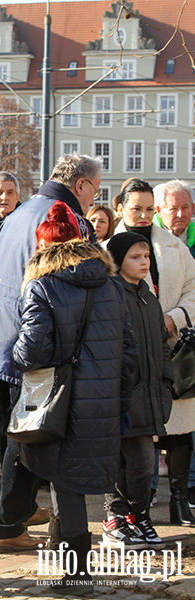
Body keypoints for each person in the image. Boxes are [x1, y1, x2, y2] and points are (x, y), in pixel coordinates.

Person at [0, 153, 100, 553]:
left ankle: (20, 509)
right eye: (95, 190)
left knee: (24, 432)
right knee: (31, 436)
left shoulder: (24, 208)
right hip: (31, 340)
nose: (94, 199)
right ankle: (6, 525)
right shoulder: (65, 215)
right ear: (80, 185)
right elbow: (72, 280)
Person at [13, 238, 135, 594]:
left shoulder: (42, 286)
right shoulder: (114, 287)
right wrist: (120, 402)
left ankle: (78, 574)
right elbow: (129, 352)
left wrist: (14, 354)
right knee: (74, 482)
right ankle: (68, 566)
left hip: (61, 401)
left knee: (65, 484)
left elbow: (33, 350)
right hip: (104, 401)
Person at [113, 178, 195, 527]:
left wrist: (173, 318)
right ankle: (134, 506)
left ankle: (178, 500)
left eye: (149, 209)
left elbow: (193, 288)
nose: (144, 215)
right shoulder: (107, 247)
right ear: (122, 208)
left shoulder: (175, 246)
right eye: (137, 209)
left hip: (173, 349)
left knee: (179, 430)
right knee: (136, 436)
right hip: (131, 352)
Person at [102, 232, 172, 551]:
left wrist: (166, 379)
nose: (143, 262)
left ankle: (139, 515)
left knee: (145, 463)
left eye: (146, 256)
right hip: (125, 394)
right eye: (135, 256)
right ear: (117, 261)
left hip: (151, 394)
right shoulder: (113, 295)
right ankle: (116, 517)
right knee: (122, 461)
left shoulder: (149, 295)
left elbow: (161, 342)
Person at [154, 179, 195, 259]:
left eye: (185, 207)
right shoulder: (146, 240)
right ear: (159, 211)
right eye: (174, 208)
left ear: (192, 208)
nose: (180, 215)